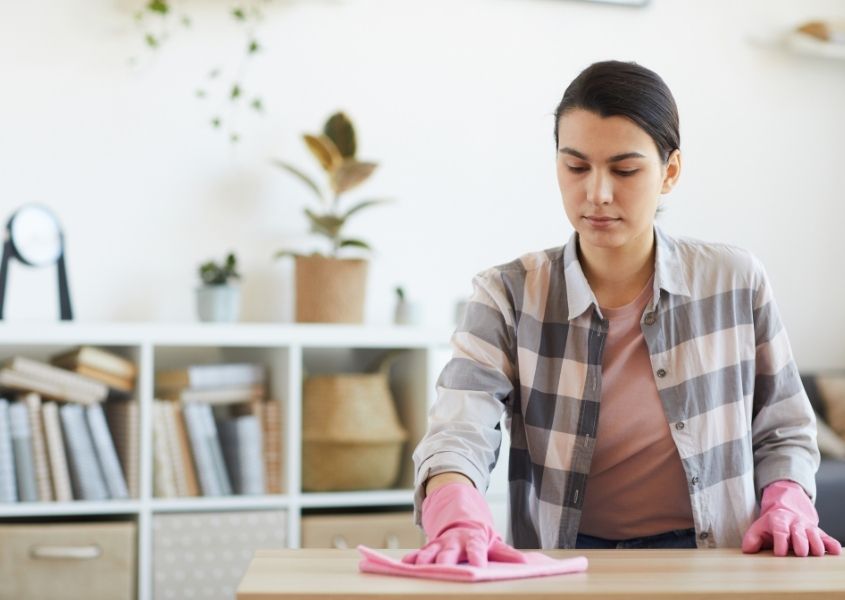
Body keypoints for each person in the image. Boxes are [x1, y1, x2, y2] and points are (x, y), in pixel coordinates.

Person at [404, 60, 841, 565]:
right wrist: (456, 510)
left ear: (669, 172)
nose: (597, 193)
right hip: (568, 561)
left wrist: (788, 503)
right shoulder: (506, 293)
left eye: (625, 169)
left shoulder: (735, 280)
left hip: (715, 557)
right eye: (576, 167)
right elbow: (459, 430)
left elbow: (784, 427)